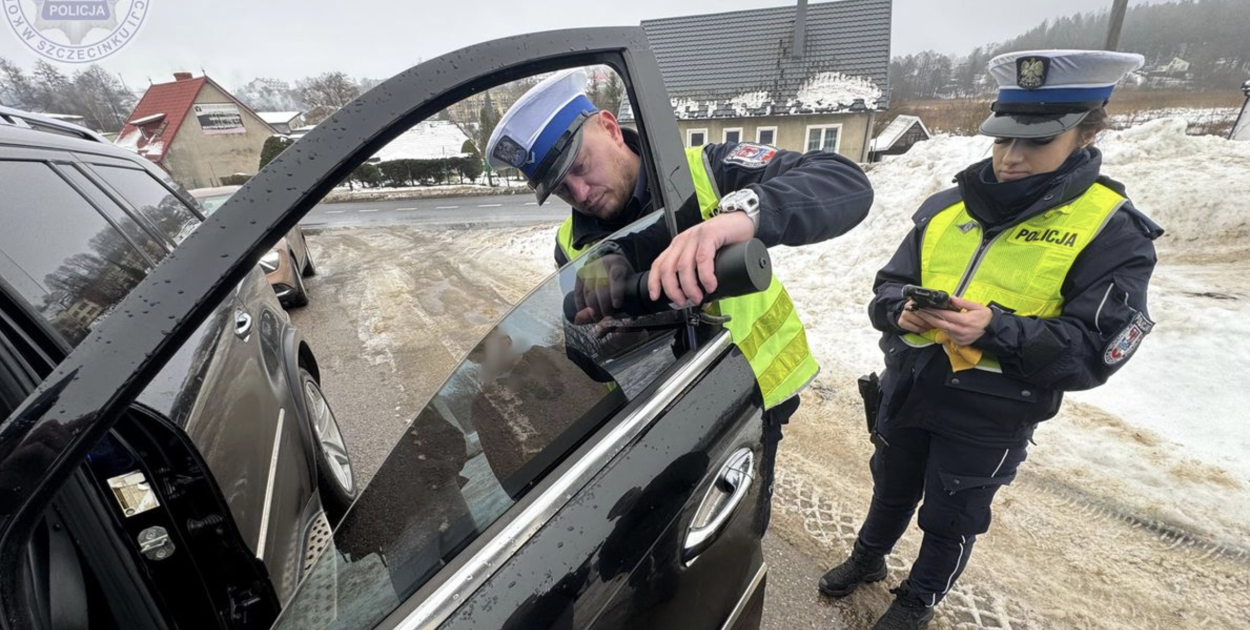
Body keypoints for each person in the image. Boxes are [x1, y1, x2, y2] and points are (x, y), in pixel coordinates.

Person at [816, 50, 1163, 629]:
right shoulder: (947, 208)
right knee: (891, 488)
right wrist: (898, 312)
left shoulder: (1113, 230)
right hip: (910, 386)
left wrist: (996, 329)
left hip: (991, 412)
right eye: (1003, 139)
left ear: (1084, 134)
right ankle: (868, 560)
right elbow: (887, 287)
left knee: (951, 516)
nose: (1011, 157)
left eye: (1035, 142)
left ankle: (917, 600)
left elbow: (1096, 351)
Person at [485, 68, 873, 531]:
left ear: (609, 128)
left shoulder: (707, 170)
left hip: (750, 397)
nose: (581, 194)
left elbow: (843, 181)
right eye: (562, 189)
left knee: (732, 531)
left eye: (581, 168)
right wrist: (600, 333)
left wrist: (740, 218)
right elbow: (586, 354)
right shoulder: (571, 244)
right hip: (657, 417)